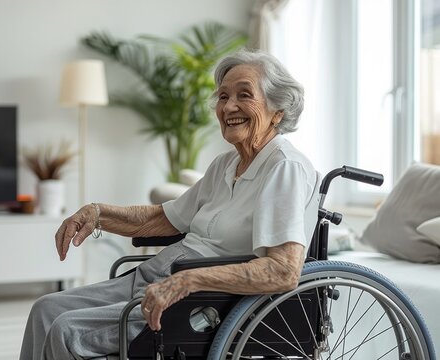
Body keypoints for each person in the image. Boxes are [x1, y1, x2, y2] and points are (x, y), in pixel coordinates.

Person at [19, 49, 319, 360]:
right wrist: (97, 214)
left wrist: (189, 280)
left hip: (201, 302)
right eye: (223, 96)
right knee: (46, 309)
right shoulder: (225, 164)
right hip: (159, 276)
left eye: (245, 95)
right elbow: (162, 218)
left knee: (67, 330)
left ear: (278, 110)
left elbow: (282, 271)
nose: (229, 106)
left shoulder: (285, 167)